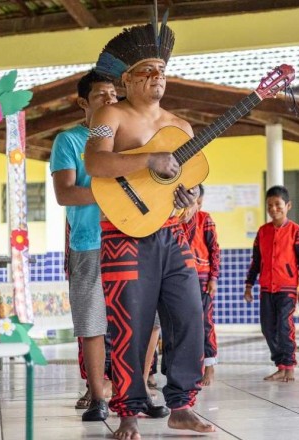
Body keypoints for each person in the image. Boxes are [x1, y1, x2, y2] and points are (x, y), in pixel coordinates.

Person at [85, 16, 215, 437]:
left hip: (173, 232)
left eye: (163, 71)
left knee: (189, 315)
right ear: (127, 79)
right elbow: (95, 162)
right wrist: (147, 160)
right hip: (122, 232)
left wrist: (190, 200)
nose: (158, 77)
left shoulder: (182, 127)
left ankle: (181, 404)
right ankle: (127, 411)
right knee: (130, 323)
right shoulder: (109, 114)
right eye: (149, 71)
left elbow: (191, 186)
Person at [50, 70, 120, 421]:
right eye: (101, 95)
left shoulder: (126, 139)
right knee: (92, 323)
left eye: (113, 95)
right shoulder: (69, 141)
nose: (110, 100)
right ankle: (97, 396)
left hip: (129, 239)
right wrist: (112, 194)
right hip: (88, 242)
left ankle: (131, 392)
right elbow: (65, 193)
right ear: (83, 103)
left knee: (145, 319)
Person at [244, 185, 299, 382]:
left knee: (284, 326)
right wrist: (249, 285)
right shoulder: (263, 231)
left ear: (288, 205)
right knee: (267, 328)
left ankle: (289, 366)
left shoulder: (296, 231)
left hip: (287, 288)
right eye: (270, 205)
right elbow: (256, 261)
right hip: (266, 288)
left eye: (278, 204)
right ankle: (280, 365)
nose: (273, 209)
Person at [180, 185, 221, 386]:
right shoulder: (176, 220)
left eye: (193, 200)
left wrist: (213, 278)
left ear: (199, 202)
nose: (189, 206)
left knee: (205, 322)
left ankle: (209, 366)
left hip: (202, 278)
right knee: (185, 323)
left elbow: (214, 250)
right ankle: (190, 367)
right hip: (180, 278)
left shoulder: (206, 219)